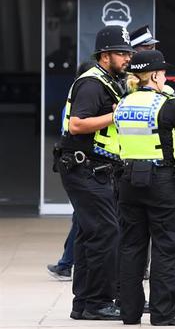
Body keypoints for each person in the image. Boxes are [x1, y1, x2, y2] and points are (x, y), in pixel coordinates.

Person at [56, 25, 135, 320]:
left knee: (91, 234)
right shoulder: (92, 84)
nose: (126, 58)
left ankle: (83, 305)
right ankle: (98, 303)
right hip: (83, 169)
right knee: (105, 232)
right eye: (121, 53)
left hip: (96, 170)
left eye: (128, 52)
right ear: (104, 55)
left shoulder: (109, 81)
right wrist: (116, 115)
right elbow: (76, 124)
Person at [114, 50, 175, 326]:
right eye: (163, 73)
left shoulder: (122, 103)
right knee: (165, 245)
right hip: (161, 181)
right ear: (157, 75)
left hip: (128, 179)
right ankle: (163, 313)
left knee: (131, 246)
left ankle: (130, 312)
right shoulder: (166, 105)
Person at [47, 61, 96, 282]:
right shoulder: (81, 101)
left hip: (80, 167)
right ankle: (66, 264)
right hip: (83, 166)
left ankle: (66, 264)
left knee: (80, 217)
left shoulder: (73, 99)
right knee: (82, 218)